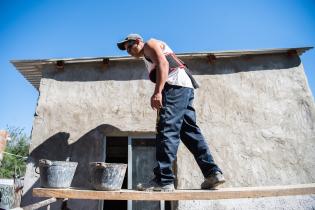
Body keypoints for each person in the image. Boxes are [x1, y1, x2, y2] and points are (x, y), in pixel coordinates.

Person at [117, 34, 225, 191]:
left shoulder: (150, 44)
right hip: (183, 87)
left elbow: (163, 64)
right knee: (189, 132)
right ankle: (212, 173)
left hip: (174, 87)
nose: (128, 50)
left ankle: (163, 179)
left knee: (166, 129)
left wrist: (158, 92)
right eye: (125, 49)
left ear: (139, 41)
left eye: (130, 45)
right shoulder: (147, 53)